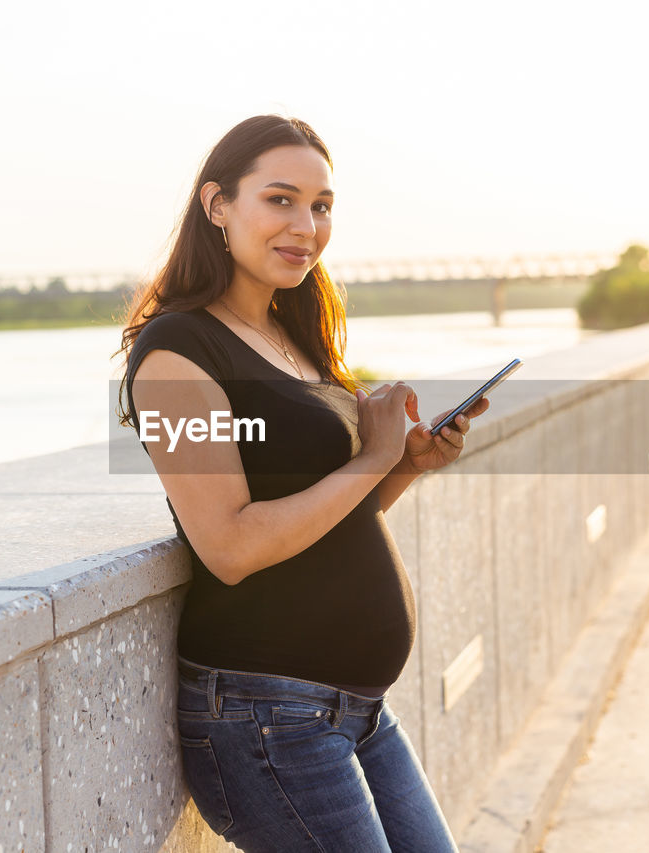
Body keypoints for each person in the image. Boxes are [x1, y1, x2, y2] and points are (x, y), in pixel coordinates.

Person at [114, 115, 487, 851]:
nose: (306, 226)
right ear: (217, 205)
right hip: (264, 716)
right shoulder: (176, 352)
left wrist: (404, 462)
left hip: (356, 710)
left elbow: (331, 517)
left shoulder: (295, 336)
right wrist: (372, 456)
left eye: (321, 206)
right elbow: (228, 543)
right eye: (280, 200)